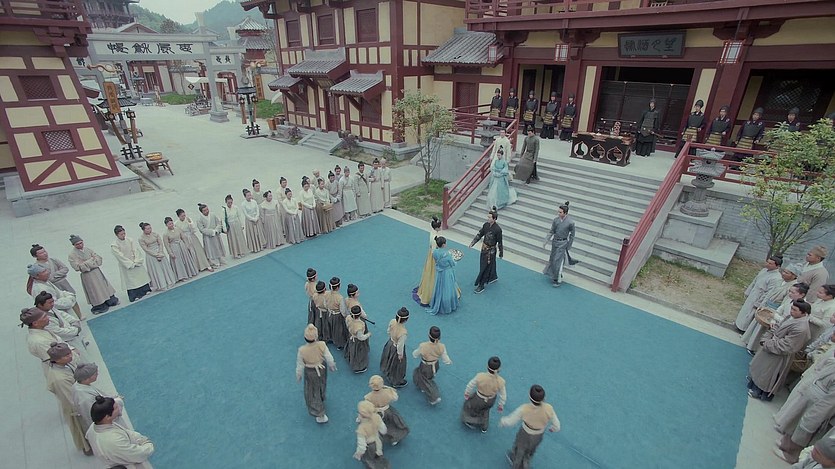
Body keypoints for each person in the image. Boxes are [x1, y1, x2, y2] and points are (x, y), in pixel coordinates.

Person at [773, 351, 835, 464]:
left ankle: (791, 454)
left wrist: (814, 418)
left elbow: (828, 403)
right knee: (795, 421)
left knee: (805, 427)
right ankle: (786, 443)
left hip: (819, 403)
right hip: (812, 395)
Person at [748, 300, 812, 401]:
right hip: (771, 343)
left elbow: (788, 346)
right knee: (761, 367)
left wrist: (768, 344)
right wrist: (767, 337)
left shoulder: (801, 329)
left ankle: (760, 392)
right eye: (791, 308)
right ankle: (754, 383)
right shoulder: (791, 317)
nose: (791, 311)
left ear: (804, 313)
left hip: (779, 354)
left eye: (795, 310)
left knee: (769, 374)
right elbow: (777, 326)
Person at [45, 342, 92, 455]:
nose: (70, 356)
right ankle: (88, 447)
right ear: (57, 360)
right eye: (66, 355)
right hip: (74, 405)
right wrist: (85, 407)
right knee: (82, 426)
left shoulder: (65, 364)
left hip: (79, 394)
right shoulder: (59, 379)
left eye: (69, 353)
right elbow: (71, 398)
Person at [499, 384, 561, 469]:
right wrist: (553, 428)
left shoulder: (524, 408)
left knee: (519, 450)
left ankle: (515, 464)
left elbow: (512, 420)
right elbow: (557, 424)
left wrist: (503, 421)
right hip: (538, 435)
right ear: (544, 398)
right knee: (530, 451)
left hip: (525, 433)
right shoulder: (549, 408)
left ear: (529, 397)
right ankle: (526, 465)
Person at [86, 396, 155, 468]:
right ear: (107, 417)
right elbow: (137, 454)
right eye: (116, 408)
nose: (119, 408)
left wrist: (139, 438)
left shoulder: (93, 427)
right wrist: (148, 445)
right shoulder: (114, 441)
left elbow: (127, 433)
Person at [742, 279, 807, 354]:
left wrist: (775, 316)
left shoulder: (802, 306)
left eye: (793, 292)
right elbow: (780, 309)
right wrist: (773, 320)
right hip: (777, 322)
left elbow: (790, 320)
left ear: (802, 295)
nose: (790, 294)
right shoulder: (790, 299)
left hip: (785, 328)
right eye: (789, 291)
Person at [296, 324, 337, 424]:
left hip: (310, 372)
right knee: (322, 384)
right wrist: (331, 365)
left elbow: (300, 363)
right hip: (322, 368)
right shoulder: (322, 344)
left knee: (312, 391)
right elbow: (328, 356)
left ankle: (319, 413)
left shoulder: (302, 350)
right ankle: (321, 396)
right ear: (316, 336)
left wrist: (299, 374)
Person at [67, 234, 118, 314]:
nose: (80, 245)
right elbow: (77, 267)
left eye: (81, 243)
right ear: (74, 245)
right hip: (87, 275)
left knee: (103, 286)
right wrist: (91, 261)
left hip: (97, 272)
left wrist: (85, 263)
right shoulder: (72, 255)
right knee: (94, 290)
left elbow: (98, 258)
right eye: (77, 244)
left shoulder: (88, 249)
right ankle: (100, 306)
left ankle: (110, 301)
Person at [29, 244, 82, 318]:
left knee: (72, 297)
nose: (44, 254)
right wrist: (53, 277)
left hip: (62, 281)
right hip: (54, 284)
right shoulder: (37, 267)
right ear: (35, 256)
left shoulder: (53, 260)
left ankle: (79, 315)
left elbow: (65, 269)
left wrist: (54, 275)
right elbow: (49, 279)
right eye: (41, 253)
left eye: (44, 251)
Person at [72, 362, 126, 433]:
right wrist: (118, 401)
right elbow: (94, 416)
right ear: (87, 378)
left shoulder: (79, 385)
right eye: (95, 374)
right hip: (106, 426)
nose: (97, 374)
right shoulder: (85, 398)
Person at [34, 292, 89, 362]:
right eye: (49, 303)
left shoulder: (50, 308)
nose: (52, 304)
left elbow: (62, 314)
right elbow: (58, 332)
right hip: (66, 340)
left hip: (72, 333)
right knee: (80, 360)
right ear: (40, 305)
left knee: (84, 355)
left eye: (52, 302)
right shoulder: (43, 319)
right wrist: (76, 330)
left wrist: (74, 321)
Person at [734, 255, 784, 331]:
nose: (767, 264)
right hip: (754, 292)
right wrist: (748, 291)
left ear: (777, 266)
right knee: (745, 310)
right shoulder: (764, 270)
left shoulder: (776, 278)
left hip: (759, 296)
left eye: (770, 264)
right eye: (768, 262)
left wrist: (759, 303)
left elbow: (769, 293)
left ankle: (743, 329)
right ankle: (738, 324)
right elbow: (755, 281)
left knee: (750, 313)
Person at [461, 356, 507, 433]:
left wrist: (467, 393)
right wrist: (501, 405)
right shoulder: (501, 381)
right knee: (486, 411)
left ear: (487, 366)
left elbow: (470, 385)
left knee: (471, 407)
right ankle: (484, 427)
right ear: (499, 369)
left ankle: (471, 420)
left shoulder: (480, 376)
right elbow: (503, 395)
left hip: (478, 398)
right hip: (491, 400)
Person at [412, 326, 452, 405]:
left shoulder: (423, 346)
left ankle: (434, 397)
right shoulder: (442, 346)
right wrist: (448, 361)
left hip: (425, 366)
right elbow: (445, 357)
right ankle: (422, 386)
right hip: (435, 365)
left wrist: (414, 354)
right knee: (428, 377)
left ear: (428, 335)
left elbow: (416, 354)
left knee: (424, 378)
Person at [364, 375, 409, 446]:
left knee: (378, 427)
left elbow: (367, 406)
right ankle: (396, 437)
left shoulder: (368, 396)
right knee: (394, 424)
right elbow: (395, 398)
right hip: (388, 411)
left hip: (377, 414)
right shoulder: (388, 392)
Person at [20, 306, 68, 372]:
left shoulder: (42, 329)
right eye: (44, 317)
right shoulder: (39, 342)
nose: (48, 318)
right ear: (35, 323)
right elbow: (58, 359)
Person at [470, 207, 503, 294]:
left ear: (494, 219)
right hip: (484, 249)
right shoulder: (485, 225)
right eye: (488, 217)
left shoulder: (498, 230)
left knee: (485, 267)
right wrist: (473, 242)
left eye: (489, 217)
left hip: (491, 251)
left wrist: (501, 253)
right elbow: (480, 234)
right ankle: (493, 276)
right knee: (488, 264)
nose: (488, 218)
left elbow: (500, 242)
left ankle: (481, 284)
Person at [543, 201, 576, 287]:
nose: (558, 213)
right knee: (553, 258)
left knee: (557, 260)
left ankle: (556, 279)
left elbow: (572, 235)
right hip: (555, 241)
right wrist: (546, 240)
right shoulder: (556, 220)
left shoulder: (570, 223)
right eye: (558, 212)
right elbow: (552, 231)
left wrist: (569, 245)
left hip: (563, 243)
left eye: (560, 212)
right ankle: (555, 274)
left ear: (565, 213)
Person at [138, 222, 176, 291]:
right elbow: (146, 249)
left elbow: (160, 243)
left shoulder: (155, 234)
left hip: (160, 251)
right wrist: (156, 255)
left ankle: (169, 281)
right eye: (147, 229)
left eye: (150, 228)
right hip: (151, 255)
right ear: (143, 230)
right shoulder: (141, 238)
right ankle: (161, 285)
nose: (149, 230)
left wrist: (160, 252)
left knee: (164, 267)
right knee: (157, 270)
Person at [427, 236, 460, 315]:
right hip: (447, 272)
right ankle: (447, 305)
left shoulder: (435, 252)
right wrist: (455, 261)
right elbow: (452, 264)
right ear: (443, 244)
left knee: (439, 287)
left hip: (439, 272)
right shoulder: (447, 254)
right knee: (448, 288)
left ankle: (437, 302)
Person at [353, 400, 390, 468]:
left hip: (370, 445)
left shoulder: (362, 428)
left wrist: (359, 453)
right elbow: (383, 429)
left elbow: (362, 445)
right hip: (378, 439)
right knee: (378, 452)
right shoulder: (377, 417)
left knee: (370, 459)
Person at [415, 217, 442, 306]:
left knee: (429, 271)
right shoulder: (435, 237)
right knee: (432, 273)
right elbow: (434, 251)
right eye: (440, 226)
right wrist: (438, 260)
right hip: (434, 256)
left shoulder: (432, 232)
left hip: (430, 253)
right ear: (437, 227)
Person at [162, 216, 198, 281]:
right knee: (178, 262)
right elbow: (166, 244)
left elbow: (183, 237)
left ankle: (189, 272)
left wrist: (187, 245)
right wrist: (170, 253)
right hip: (174, 247)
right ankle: (182, 276)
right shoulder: (165, 234)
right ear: (166, 225)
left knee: (186, 259)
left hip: (181, 245)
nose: (171, 225)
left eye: (172, 223)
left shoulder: (177, 229)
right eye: (169, 224)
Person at [380, 307, 409, 388]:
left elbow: (388, 331)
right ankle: (396, 381)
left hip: (390, 343)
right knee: (397, 365)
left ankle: (386, 370)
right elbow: (400, 345)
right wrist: (400, 354)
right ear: (406, 319)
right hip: (396, 348)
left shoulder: (392, 321)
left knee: (387, 357)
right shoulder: (403, 332)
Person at [195, 203, 227, 268]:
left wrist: (216, 230)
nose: (207, 211)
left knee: (218, 246)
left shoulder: (213, 215)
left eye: (207, 209)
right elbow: (202, 229)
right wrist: (212, 232)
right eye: (204, 210)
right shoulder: (199, 219)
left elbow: (218, 223)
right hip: (208, 237)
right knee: (210, 249)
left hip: (216, 234)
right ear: (201, 212)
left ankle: (221, 259)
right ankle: (214, 262)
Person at [486, 145, 517, 209]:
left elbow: (505, 170)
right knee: (493, 191)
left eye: (499, 155)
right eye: (497, 155)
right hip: (495, 178)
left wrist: (500, 173)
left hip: (501, 178)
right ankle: (493, 203)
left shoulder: (504, 162)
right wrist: (494, 172)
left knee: (500, 191)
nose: (498, 156)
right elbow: (493, 167)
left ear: (502, 155)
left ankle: (499, 203)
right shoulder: (496, 161)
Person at [345, 305, 372, 373]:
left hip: (351, 336)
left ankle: (350, 357)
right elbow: (361, 337)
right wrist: (368, 334)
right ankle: (359, 367)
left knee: (352, 349)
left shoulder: (348, 318)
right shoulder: (359, 325)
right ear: (360, 314)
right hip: (358, 341)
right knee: (359, 353)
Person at [241, 188, 266, 253]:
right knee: (252, 234)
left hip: (256, 219)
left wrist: (256, 217)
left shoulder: (254, 201)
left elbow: (257, 210)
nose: (250, 197)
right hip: (250, 221)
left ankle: (261, 245)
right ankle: (254, 247)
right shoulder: (243, 204)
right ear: (245, 196)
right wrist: (253, 219)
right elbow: (246, 214)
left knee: (258, 232)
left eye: (250, 195)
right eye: (248, 195)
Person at [328, 279, 351, 350]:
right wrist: (347, 316)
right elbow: (343, 311)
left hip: (329, 313)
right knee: (338, 330)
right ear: (338, 287)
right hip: (337, 315)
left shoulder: (327, 294)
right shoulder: (340, 298)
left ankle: (331, 338)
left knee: (330, 326)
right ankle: (339, 344)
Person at [222, 194, 247, 259]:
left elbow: (239, 216)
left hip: (236, 224)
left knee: (239, 238)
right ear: (226, 202)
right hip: (230, 226)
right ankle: (235, 253)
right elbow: (223, 220)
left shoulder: (235, 207)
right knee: (233, 239)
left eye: (231, 202)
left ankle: (241, 251)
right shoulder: (224, 210)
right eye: (228, 203)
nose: (230, 204)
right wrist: (225, 229)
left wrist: (242, 224)